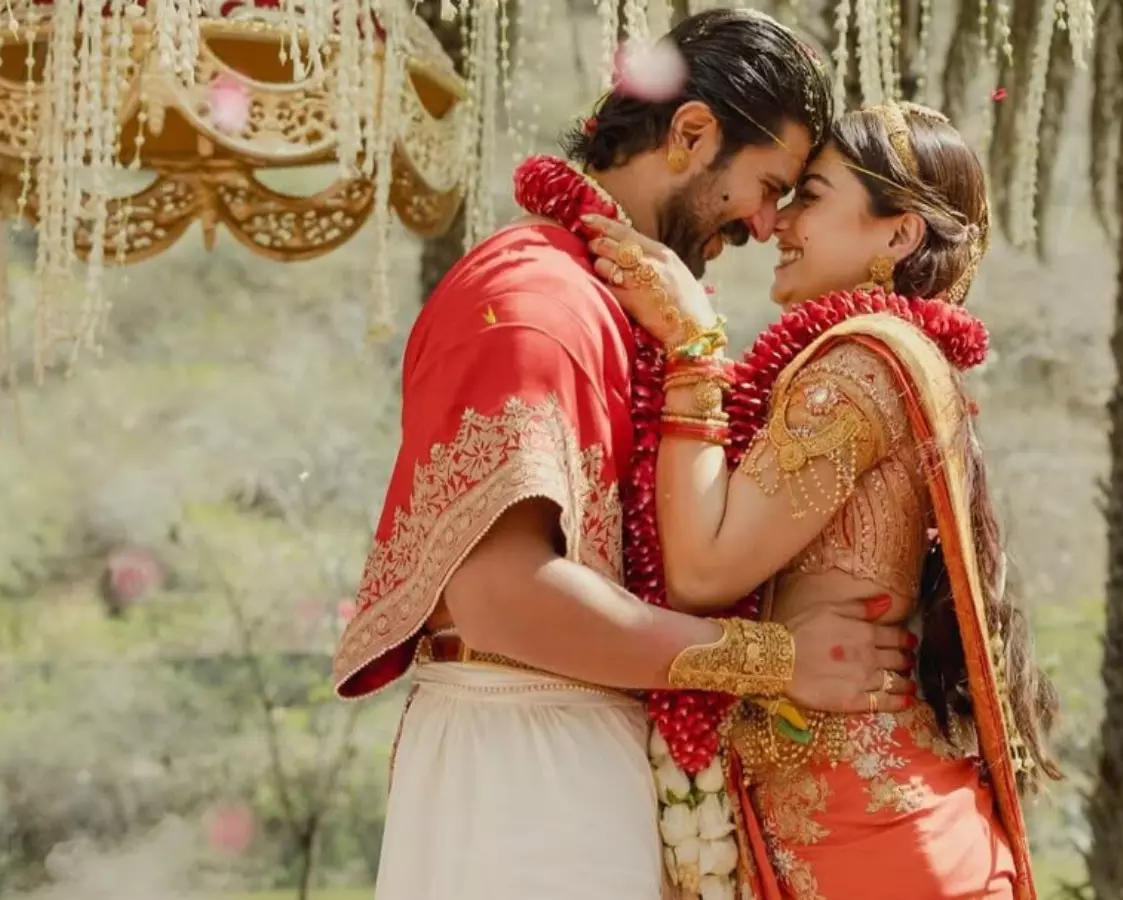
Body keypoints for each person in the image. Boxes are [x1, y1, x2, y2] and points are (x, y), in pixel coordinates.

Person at [330, 11, 917, 900]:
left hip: (573, 753)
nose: (768, 225)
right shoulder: (533, 298)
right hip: (524, 772)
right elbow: (501, 597)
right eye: (768, 185)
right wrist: (775, 661)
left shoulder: (622, 305)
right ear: (691, 134)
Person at [583, 103, 1063, 900]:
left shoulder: (853, 372)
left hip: (864, 833)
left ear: (897, 235)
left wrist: (694, 352)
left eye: (810, 197)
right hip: (878, 816)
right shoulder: (888, 358)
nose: (777, 223)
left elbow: (702, 572)